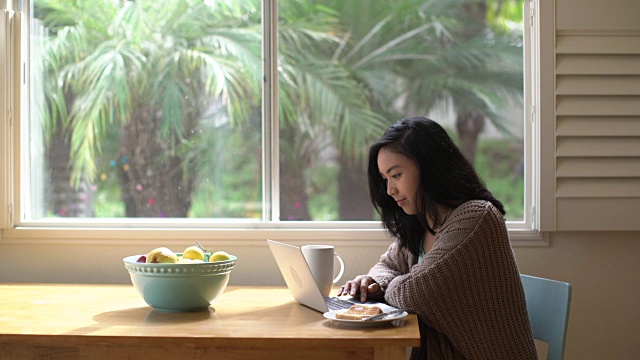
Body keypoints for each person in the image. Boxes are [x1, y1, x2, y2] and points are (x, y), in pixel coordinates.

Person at [338, 116, 537, 359]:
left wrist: (385, 288)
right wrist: (374, 282)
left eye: (396, 175)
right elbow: (389, 265)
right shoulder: (423, 221)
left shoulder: (476, 219)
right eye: (385, 179)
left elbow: (415, 292)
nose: (390, 190)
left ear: (429, 167)